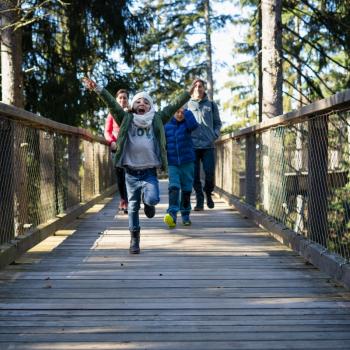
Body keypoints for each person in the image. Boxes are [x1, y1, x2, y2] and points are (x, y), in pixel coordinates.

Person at [82, 77, 194, 254]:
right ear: (133, 106)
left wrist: (188, 93)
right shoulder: (126, 118)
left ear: (151, 107)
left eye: (146, 102)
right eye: (138, 101)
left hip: (149, 171)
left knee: (153, 199)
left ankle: (148, 203)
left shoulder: (156, 119)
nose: (142, 103)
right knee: (133, 206)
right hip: (131, 173)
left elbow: (172, 106)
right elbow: (112, 104)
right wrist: (97, 88)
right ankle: (134, 239)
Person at [188, 78, 222, 211]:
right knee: (194, 176)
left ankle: (208, 192)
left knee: (209, 173)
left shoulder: (211, 105)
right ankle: (199, 200)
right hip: (193, 146)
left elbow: (218, 123)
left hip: (208, 145)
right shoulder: (187, 105)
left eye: (200, 86)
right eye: (195, 86)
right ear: (192, 89)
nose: (198, 88)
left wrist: (215, 134)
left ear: (204, 89)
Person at [163, 105, 198, 228]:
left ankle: (185, 214)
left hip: (187, 162)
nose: (179, 114)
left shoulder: (187, 125)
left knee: (187, 189)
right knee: (173, 187)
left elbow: (194, 125)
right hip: (173, 163)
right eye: (177, 112)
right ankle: (172, 215)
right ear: (172, 112)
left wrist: (187, 111)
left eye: (182, 112)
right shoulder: (166, 126)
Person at [104, 89, 129, 215]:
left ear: (128, 100)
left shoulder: (131, 113)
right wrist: (111, 141)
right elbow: (107, 131)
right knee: (120, 177)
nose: (122, 100)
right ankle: (123, 200)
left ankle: (130, 200)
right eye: (120, 98)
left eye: (125, 98)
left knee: (129, 175)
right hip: (117, 149)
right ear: (116, 100)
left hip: (130, 149)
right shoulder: (111, 114)